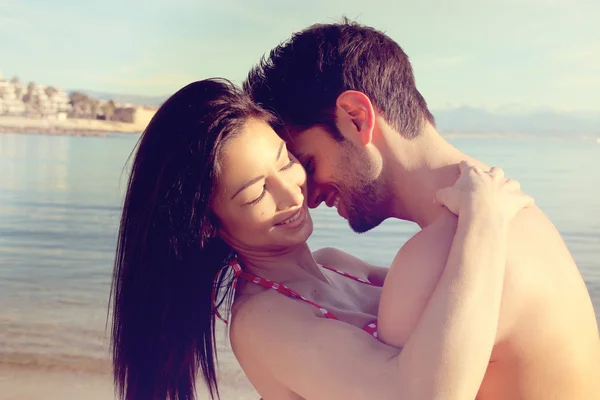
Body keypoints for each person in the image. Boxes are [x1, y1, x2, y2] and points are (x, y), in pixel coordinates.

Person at [243, 18, 600, 400]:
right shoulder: (518, 211)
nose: (309, 196)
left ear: (356, 117)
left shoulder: (436, 261)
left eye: (308, 163)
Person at [110, 78, 533, 400]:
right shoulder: (262, 320)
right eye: (256, 192)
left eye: (287, 161)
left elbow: (450, 293)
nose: (291, 192)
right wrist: (484, 223)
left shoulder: (337, 263)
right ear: (206, 223)